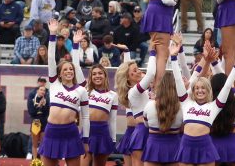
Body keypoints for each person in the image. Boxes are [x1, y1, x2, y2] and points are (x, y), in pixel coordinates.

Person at [170, 37, 235, 165]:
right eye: (197, 88)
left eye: (203, 88)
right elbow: (178, 80)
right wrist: (173, 57)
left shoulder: (214, 106)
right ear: (193, 91)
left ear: (209, 91)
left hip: (205, 146)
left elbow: (227, 86)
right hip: (186, 146)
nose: (200, 91)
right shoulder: (186, 102)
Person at [40, 19, 90, 165]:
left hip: (70, 132)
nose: (69, 71)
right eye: (65, 69)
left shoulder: (81, 90)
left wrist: (86, 140)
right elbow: (50, 58)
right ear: (59, 74)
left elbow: (85, 117)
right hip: (51, 131)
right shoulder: (54, 84)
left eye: (71, 69)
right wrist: (52, 34)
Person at [72, 32, 118, 166]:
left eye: (100, 73)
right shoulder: (85, 90)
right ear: (90, 77)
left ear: (105, 75)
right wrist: (75, 45)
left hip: (103, 133)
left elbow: (112, 120)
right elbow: (76, 67)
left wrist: (113, 139)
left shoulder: (112, 95)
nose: (97, 76)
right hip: (87, 131)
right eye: (94, 74)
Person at [141, 36, 185, 165]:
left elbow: (146, 124)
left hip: (153, 145)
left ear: (159, 87)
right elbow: (182, 128)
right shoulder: (182, 107)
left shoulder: (149, 106)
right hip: (175, 146)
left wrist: (153, 52)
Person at [116, 42, 157, 165]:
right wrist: (152, 52)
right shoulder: (133, 92)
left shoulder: (139, 90)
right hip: (142, 131)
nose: (139, 72)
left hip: (150, 129)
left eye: (138, 68)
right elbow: (150, 74)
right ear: (128, 77)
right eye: (135, 70)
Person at [27, 84, 49, 161]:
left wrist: (44, 106)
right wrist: (39, 105)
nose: (43, 92)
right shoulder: (32, 99)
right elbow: (31, 112)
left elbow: (47, 113)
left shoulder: (47, 100)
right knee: (35, 144)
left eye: (44, 90)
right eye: (41, 90)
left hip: (44, 122)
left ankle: (43, 161)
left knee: (43, 144)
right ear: (37, 91)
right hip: (35, 122)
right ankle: (35, 161)